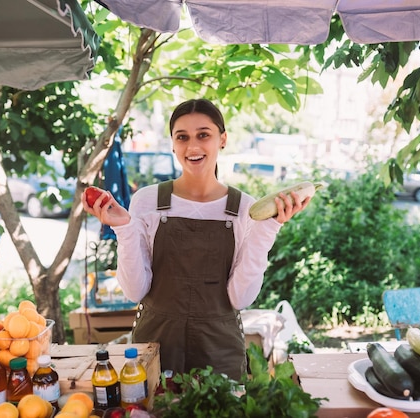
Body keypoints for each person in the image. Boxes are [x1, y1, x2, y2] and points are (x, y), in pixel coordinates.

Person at [83, 99, 311, 379]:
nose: (192, 147)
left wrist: (269, 228)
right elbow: (135, 291)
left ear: (222, 139)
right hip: (156, 343)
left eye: (203, 135)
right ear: (173, 144)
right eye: (182, 137)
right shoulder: (147, 201)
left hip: (220, 348)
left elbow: (240, 298)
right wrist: (124, 229)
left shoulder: (245, 208)